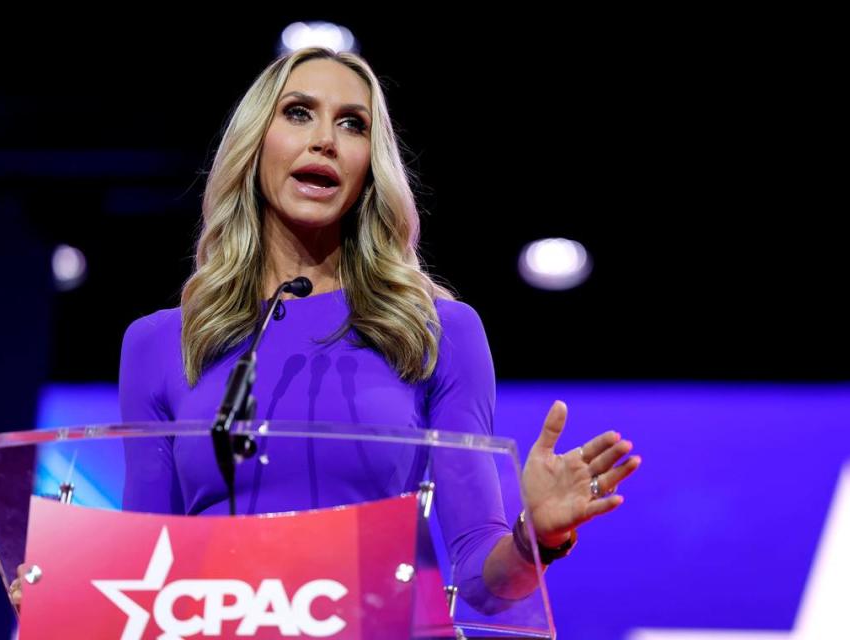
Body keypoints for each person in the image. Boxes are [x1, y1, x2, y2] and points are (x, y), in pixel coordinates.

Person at [116, 46, 642, 614]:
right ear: (254, 144)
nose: (326, 140)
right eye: (298, 113)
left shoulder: (436, 331)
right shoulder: (162, 344)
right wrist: (71, 595)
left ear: (371, 164)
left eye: (352, 124)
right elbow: (143, 564)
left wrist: (532, 538)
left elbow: (482, 580)